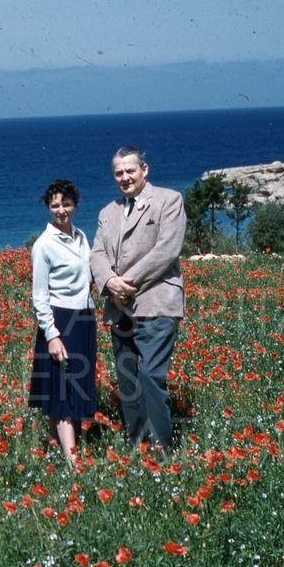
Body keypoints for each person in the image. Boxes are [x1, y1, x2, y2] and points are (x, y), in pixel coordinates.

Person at [90, 146, 186, 451]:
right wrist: (108, 281)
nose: (124, 177)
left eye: (130, 170)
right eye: (118, 173)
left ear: (144, 170)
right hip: (119, 309)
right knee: (129, 380)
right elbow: (97, 254)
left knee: (150, 375)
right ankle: (138, 445)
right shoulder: (108, 212)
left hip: (155, 303)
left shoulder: (169, 200)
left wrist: (126, 283)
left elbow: (166, 251)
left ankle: (162, 450)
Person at [28, 179, 97, 466]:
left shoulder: (81, 236)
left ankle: (55, 445)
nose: (61, 210)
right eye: (55, 205)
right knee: (65, 389)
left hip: (84, 317)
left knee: (71, 385)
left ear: (75, 204)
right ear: (48, 207)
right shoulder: (44, 245)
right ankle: (73, 464)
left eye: (66, 204)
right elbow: (39, 296)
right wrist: (52, 334)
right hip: (60, 320)